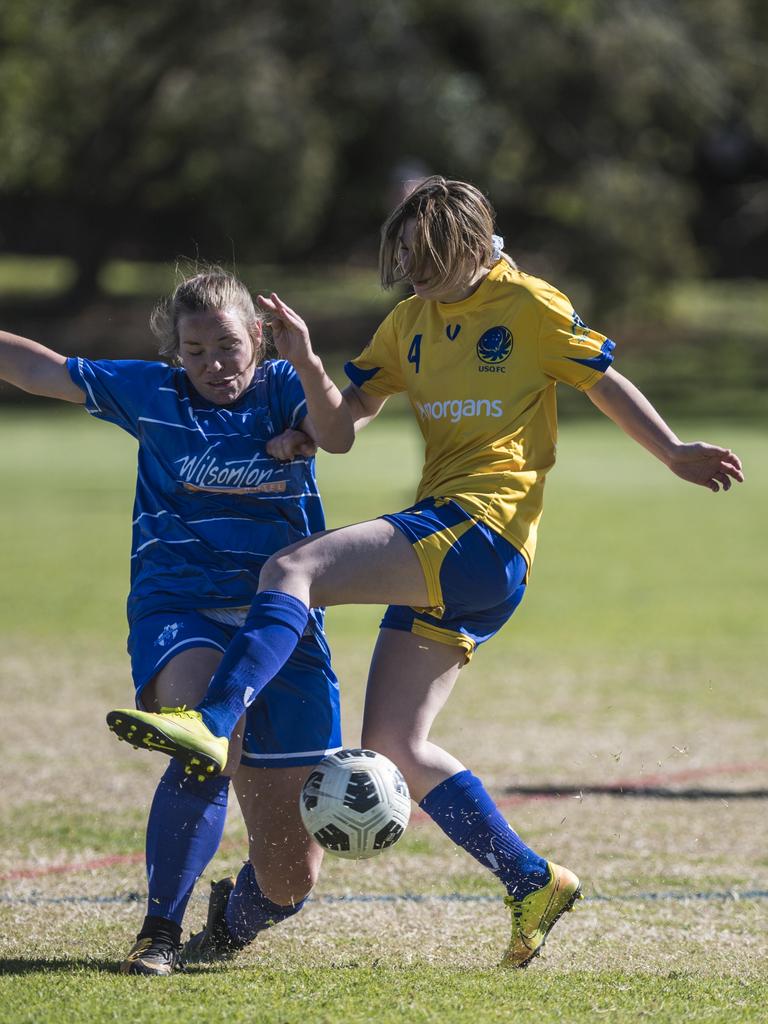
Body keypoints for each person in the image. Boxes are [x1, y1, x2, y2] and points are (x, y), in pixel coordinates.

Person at [109, 177, 744, 968]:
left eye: (425, 256)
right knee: (394, 744)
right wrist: (306, 394)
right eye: (402, 255)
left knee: (293, 565)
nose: (409, 271)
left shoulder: (531, 306)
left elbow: (602, 380)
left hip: (483, 529)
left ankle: (212, 719)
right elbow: (343, 422)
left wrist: (674, 450)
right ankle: (532, 880)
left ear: (470, 246)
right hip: (453, 550)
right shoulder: (409, 320)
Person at [0, 269, 343, 975]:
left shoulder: (283, 387)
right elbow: (42, 371)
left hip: (282, 624)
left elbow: (340, 424)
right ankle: (158, 932)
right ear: (175, 353)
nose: (214, 365)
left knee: (291, 878)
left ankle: (233, 920)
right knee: (208, 741)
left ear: (258, 335)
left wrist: (306, 408)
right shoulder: (151, 394)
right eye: (195, 350)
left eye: (227, 346)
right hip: (179, 606)